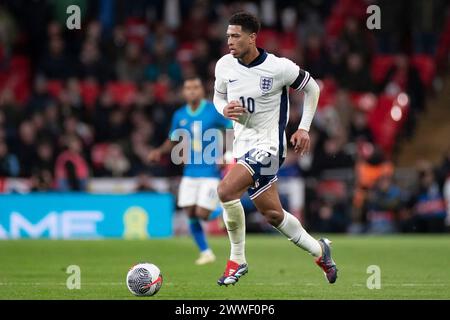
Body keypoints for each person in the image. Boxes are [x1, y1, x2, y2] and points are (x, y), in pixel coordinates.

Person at [213, 12, 337, 286]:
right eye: (228, 36)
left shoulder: (278, 67)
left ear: (252, 37)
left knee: (225, 191)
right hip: (242, 147)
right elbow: (218, 95)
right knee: (273, 215)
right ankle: (321, 252)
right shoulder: (224, 65)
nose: (230, 41)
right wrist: (223, 108)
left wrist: (303, 127)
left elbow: (312, 88)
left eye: (235, 36)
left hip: (269, 147)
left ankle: (237, 260)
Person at [148, 76, 232, 265]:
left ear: (202, 91)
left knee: (202, 213)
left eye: (196, 87)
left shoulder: (213, 111)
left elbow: (231, 128)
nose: (192, 91)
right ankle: (206, 252)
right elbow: (173, 140)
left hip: (210, 172)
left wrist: (227, 153)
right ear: (184, 92)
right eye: (188, 88)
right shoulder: (179, 115)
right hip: (189, 172)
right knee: (189, 213)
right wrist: (159, 152)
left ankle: (222, 210)